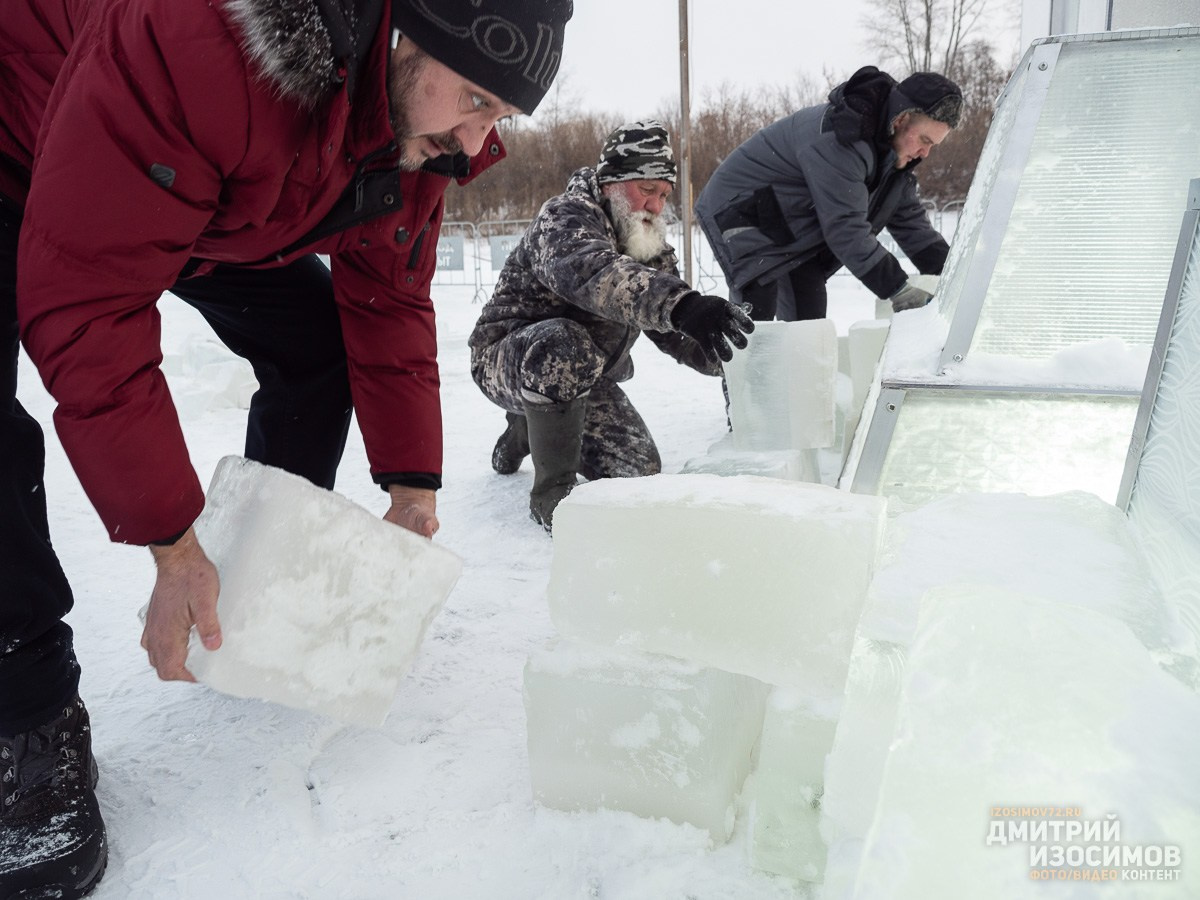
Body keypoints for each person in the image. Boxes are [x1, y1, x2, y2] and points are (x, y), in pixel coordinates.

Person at [0, 0, 572, 894]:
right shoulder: (199, 46)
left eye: (499, 113)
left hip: (206, 184)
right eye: (472, 98)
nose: (474, 140)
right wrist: (169, 542)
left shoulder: (417, 125)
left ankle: (248, 576)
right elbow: (90, 305)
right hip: (25, 142)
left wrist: (412, 484)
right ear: (401, 35)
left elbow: (386, 298)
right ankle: (22, 717)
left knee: (318, 345)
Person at [469, 120, 754, 531]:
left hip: (581, 375)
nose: (656, 206)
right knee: (563, 342)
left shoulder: (643, 239)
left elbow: (674, 326)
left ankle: (527, 428)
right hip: (508, 359)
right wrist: (684, 305)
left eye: (664, 195)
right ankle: (553, 494)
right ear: (611, 183)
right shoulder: (563, 218)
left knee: (637, 470)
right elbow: (597, 275)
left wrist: (729, 349)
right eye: (647, 190)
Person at [694, 67, 963, 322]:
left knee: (808, 316)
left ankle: (798, 370)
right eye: (925, 141)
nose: (926, 154)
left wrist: (956, 279)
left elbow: (913, 228)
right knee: (756, 314)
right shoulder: (843, 136)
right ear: (901, 119)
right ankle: (741, 369)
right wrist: (897, 288)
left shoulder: (891, 160)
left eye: (933, 146)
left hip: (793, 223)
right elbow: (846, 228)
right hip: (742, 205)